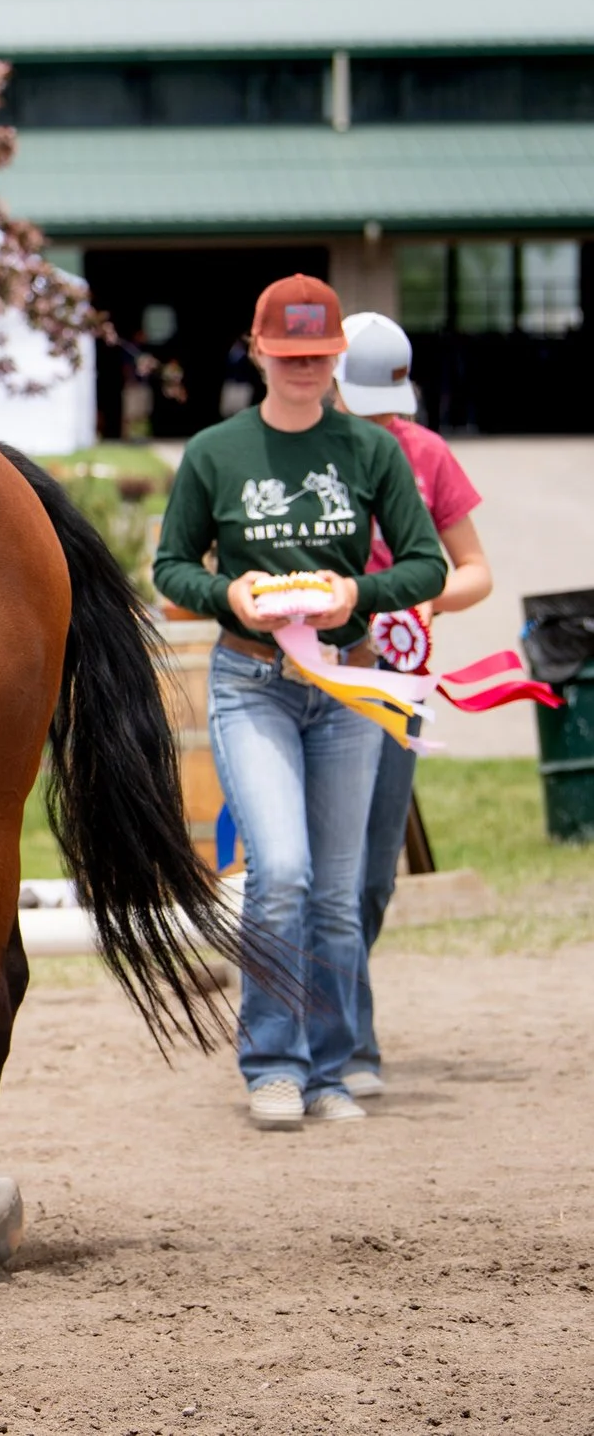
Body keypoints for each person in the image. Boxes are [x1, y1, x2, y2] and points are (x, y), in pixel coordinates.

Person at [152, 276, 446, 1131]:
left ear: (337, 358)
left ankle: (331, 1067)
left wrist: (351, 592)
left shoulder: (371, 450)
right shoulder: (215, 452)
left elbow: (426, 564)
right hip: (253, 684)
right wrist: (230, 593)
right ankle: (272, 1062)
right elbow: (171, 567)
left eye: (319, 357)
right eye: (290, 355)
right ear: (261, 351)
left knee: (339, 892)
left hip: (348, 685)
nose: (305, 370)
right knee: (280, 871)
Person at [336, 312, 494, 1099]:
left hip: (398, 681)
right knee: (309, 869)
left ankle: (333, 1015)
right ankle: (344, 1035)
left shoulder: (425, 453)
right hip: (314, 670)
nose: (377, 421)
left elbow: (474, 570)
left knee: (370, 876)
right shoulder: (305, 451)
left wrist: (427, 602)